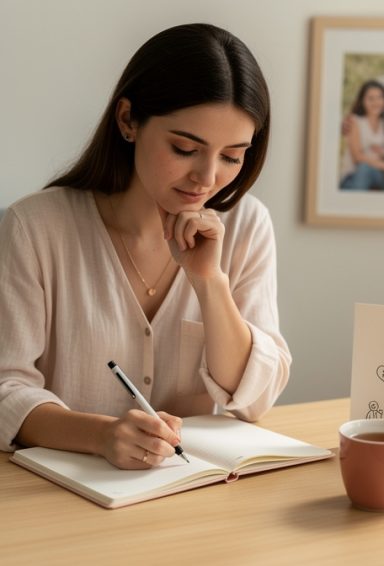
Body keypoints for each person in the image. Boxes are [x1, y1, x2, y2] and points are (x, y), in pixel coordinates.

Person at [0, 24, 290, 470]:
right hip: (56, 502)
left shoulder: (248, 225)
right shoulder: (35, 228)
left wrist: (209, 282)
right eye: (184, 147)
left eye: (232, 156)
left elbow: (253, 397)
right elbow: (5, 388)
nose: (207, 177)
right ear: (127, 120)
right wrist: (101, 435)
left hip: (190, 492)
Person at [338, 80, 384, 190]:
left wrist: (383, 154)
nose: (376, 102)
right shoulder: (354, 121)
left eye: (380, 97)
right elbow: (358, 158)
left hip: (376, 174)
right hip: (353, 176)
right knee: (364, 168)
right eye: (370, 98)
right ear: (362, 101)